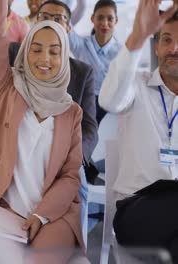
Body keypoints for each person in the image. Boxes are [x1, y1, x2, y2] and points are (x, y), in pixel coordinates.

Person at [0, 0, 97, 234]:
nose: (50, 22)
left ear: (68, 29)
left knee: (78, 189)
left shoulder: (82, 73)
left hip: (64, 160)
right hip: (11, 163)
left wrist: (72, 158)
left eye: (58, 19)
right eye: (44, 16)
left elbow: (89, 127)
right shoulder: (17, 57)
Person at [99, 0, 178, 261]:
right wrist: (137, 36)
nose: (173, 49)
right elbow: (108, 100)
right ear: (156, 46)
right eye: (166, 40)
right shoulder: (137, 86)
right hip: (136, 209)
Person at [69, 0, 122, 124]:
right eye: (100, 17)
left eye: (110, 18)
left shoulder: (122, 52)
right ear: (92, 19)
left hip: (110, 107)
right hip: (84, 104)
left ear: (116, 21)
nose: (105, 23)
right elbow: (65, 22)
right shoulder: (81, 44)